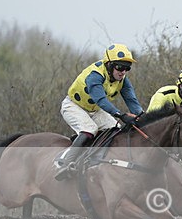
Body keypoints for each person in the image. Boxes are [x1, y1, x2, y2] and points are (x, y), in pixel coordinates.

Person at [54, 43, 144, 181]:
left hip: (94, 110)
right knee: (90, 129)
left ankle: (98, 160)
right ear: (109, 65)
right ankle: (65, 162)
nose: (123, 72)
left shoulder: (123, 80)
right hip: (74, 106)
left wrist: (143, 117)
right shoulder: (95, 75)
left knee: (116, 130)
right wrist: (121, 115)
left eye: (127, 68)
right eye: (120, 67)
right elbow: (101, 100)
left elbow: (131, 100)